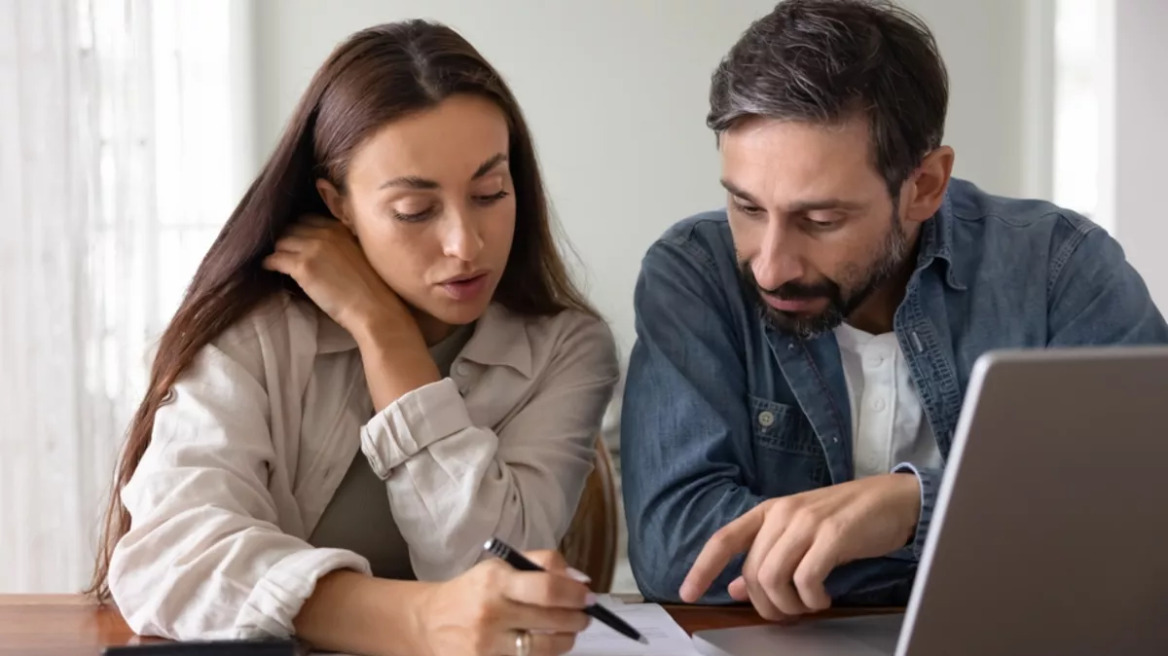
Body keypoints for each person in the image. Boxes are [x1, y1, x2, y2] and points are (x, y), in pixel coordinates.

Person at [620, 0, 1168, 621]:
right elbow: (676, 549)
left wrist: (911, 508)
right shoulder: (695, 273)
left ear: (926, 186)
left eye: (821, 219)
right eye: (746, 208)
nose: (770, 265)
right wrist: (985, 533)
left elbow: (1143, 512)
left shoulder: (1059, 268)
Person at [88, 20, 619, 656]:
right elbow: (168, 557)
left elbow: (484, 560)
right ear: (337, 204)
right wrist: (418, 620)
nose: (465, 245)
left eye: (490, 192)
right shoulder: (255, 334)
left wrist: (384, 333)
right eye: (415, 211)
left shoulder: (567, 348)